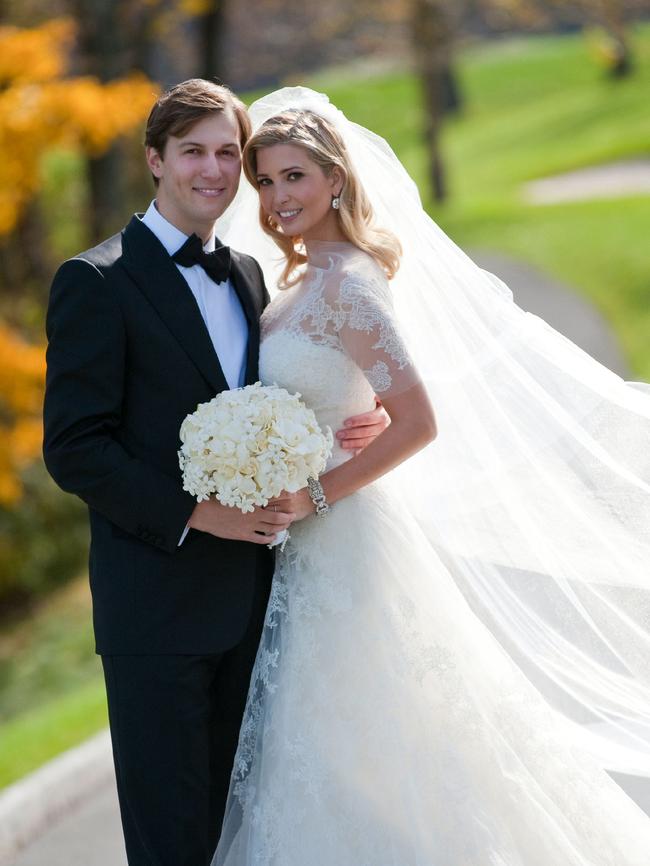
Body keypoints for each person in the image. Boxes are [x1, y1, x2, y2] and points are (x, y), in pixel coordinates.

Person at [211, 89, 650, 865]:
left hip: (344, 537)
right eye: (267, 183)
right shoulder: (297, 285)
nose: (277, 199)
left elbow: (419, 421)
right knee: (338, 748)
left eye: (294, 177)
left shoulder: (348, 284)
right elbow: (354, 398)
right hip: (300, 549)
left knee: (364, 743)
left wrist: (312, 492)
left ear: (336, 179)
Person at [42, 79, 388, 866]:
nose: (213, 169)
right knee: (173, 846)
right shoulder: (95, 282)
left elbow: (281, 405)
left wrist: (349, 431)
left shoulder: (248, 275)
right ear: (155, 160)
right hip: (156, 614)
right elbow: (75, 446)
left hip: (261, 609)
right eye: (193, 151)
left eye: (229, 153)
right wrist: (198, 514)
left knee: (248, 840)